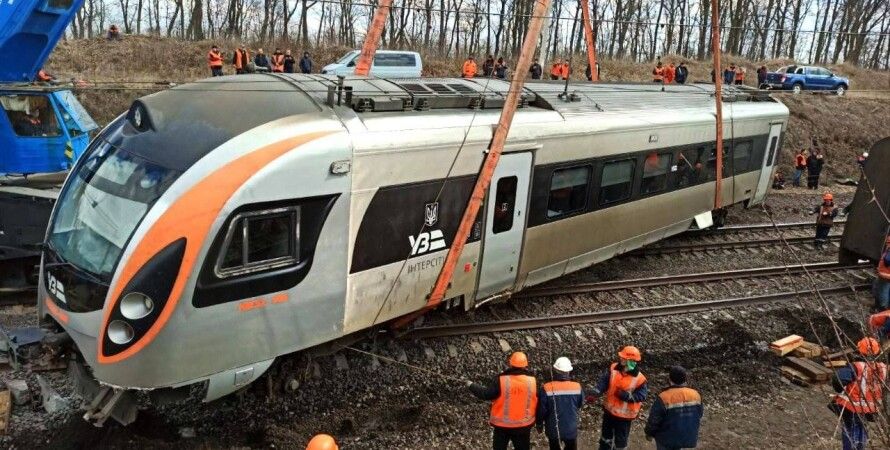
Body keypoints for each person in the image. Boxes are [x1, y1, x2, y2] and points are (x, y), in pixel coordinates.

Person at [468, 352, 538, 450]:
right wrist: (539, 422)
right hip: (523, 426)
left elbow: (486, 394)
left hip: (502, 426)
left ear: (511, 364)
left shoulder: (502, 380)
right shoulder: (532, 381)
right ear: (525, 365)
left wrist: (471, 385)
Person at [831, 337, 887, 450]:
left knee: (851, 432)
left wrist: (840, 390)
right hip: (870, 409)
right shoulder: (883, 368)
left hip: (852, 407)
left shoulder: (857, 367)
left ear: (859, 350)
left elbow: (838, 379)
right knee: (862, 430)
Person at [589, 346, 648, 450]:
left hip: (624, 417)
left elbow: (642, 396)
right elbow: (604, 381)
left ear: (631, 361)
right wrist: (596, 392)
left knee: (620, 442)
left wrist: (625, 396)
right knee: (605, 438)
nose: (621, 358)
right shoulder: (614, 368)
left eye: (624, 358)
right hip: (609, 412)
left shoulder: (640, 379)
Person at [644, 366, 703, 450]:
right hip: (686, 437)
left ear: (669, 379)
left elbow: (654, 420)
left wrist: (649, 433)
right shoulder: (696, 395)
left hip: (666, 439)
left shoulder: (664, 397)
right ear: (685, 379)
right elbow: (699, 414)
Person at [536, 357, 584, 450]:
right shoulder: (577, 387)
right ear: (569, 371)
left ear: (555, 370)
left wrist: (539, 424)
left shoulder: (546, 388)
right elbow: (579, 404)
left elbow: (541, 410)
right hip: (570, 429)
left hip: (553, 431)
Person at [871, 236, 890, 311]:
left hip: (885, 275)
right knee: (881, 288)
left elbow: (887, 260)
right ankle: (882, 306)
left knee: (882, 291)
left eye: (888, 243)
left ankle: (883, 308)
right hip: (885, 274)